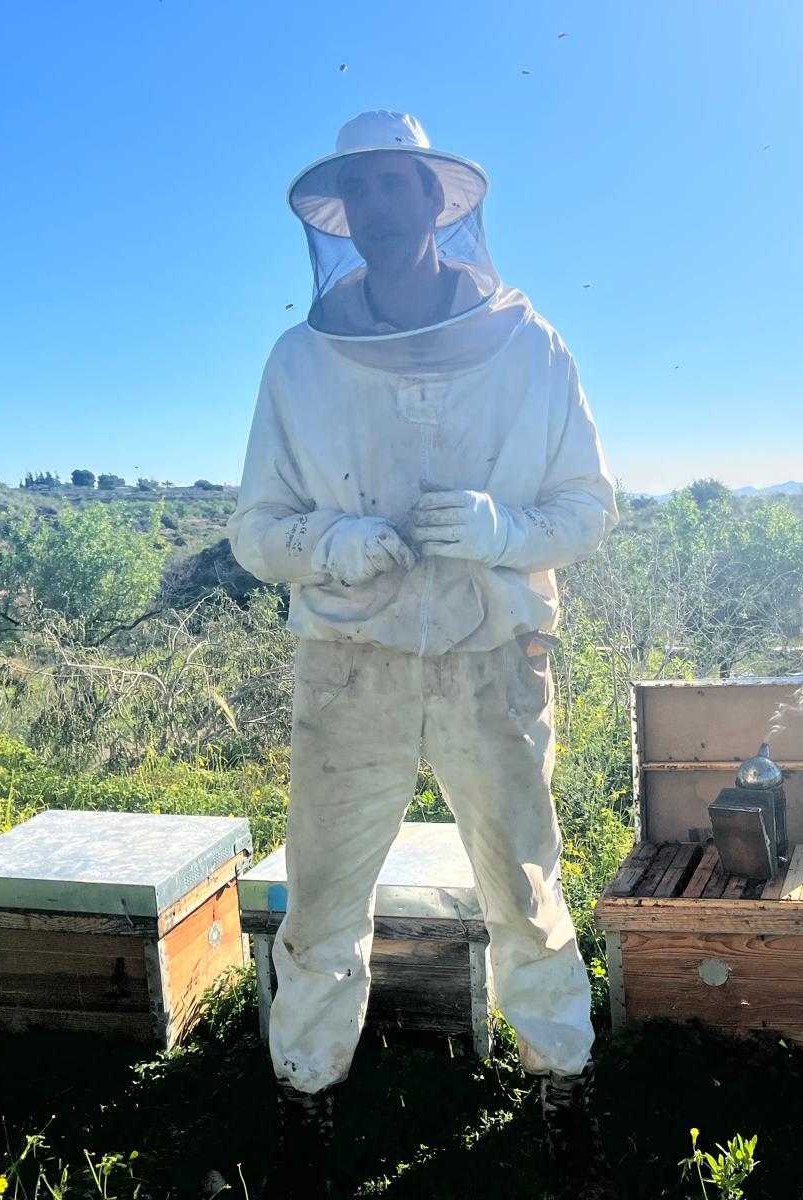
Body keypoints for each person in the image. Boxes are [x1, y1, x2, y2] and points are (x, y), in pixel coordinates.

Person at [227, 110, 621, 1200]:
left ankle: (562, 1090)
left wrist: (504, 532)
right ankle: (305, 1095)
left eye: (400, 184)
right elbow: (255, 529)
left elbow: (588, 507)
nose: (380, 206)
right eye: (362, 189)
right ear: (340, 214)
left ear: (440, 202)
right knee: (321, 899)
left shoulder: (530, 345)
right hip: (349, 667)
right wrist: (327, 544)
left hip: (493, 657)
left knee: (524, 888)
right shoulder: (299, 362)